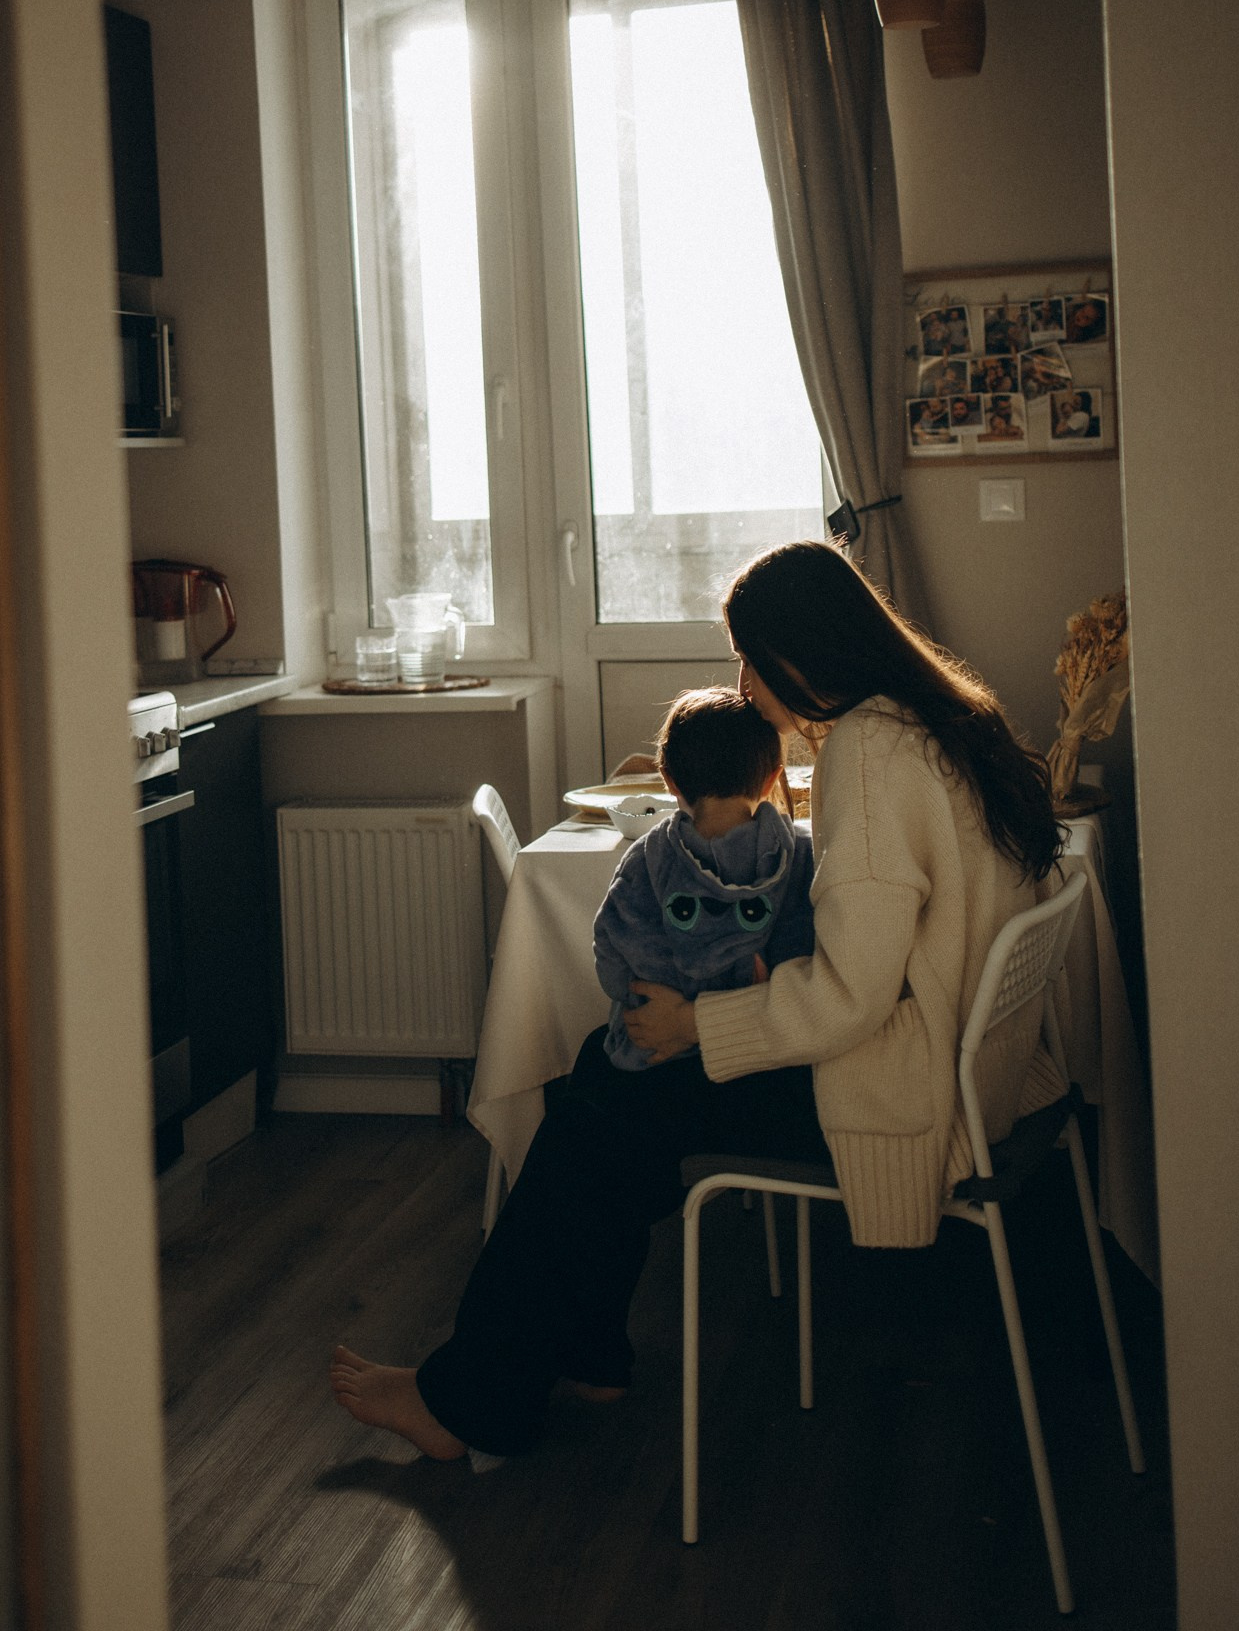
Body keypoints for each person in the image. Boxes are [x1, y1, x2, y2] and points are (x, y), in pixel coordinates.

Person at [330, 541, 1064, 1465]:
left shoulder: (872, 754)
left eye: (752, 659)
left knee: (605, 1092)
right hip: (963, 1076)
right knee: (608, 1087)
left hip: (899, 1093)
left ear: (805, 653)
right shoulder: (946, 719)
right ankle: (573, 1352)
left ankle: (476, 1396)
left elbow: (848, 1000)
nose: (747, 686)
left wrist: (695, 1025)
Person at [596, 686, 815, 1072]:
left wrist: (637, 998)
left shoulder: (645, 859)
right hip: (762, 1057)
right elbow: (807, 955)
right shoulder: (802, 856)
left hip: (659, 1055)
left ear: (669, 780)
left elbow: (611, 951)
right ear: (771, 780)